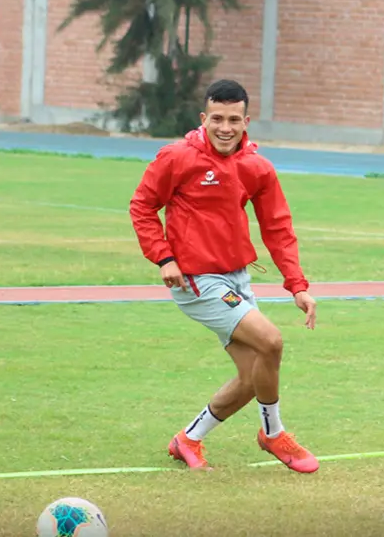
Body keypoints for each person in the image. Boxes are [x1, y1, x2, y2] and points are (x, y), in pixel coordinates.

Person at [130, 78, 320, 474]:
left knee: (255, 376)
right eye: (217, 118)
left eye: (234, 119)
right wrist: (164, 258)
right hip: (196, 282)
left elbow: (278, 228)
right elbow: (143, 206)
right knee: (271, 340)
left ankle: (188, 439)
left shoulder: (257, 167)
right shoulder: (176, 157)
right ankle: (273, 433)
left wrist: (297, 286)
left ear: (246, 120)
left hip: (236, 279)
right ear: (204, 118)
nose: (225, 128)